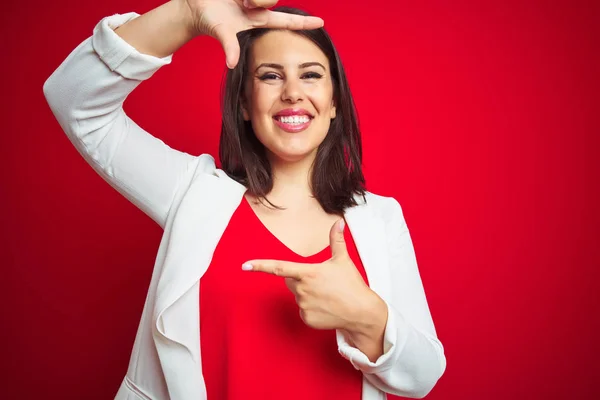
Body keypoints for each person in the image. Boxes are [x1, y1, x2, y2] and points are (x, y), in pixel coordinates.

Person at [43, 0, 446, 399]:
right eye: (271, 76)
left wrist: (366, 317)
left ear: (335, 101)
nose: (292, 93)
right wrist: (187, 13)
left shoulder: (380, 218)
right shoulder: (192, 193)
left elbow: (424, 374)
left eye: (310, 75)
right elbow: (75, 102)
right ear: (244, 104)